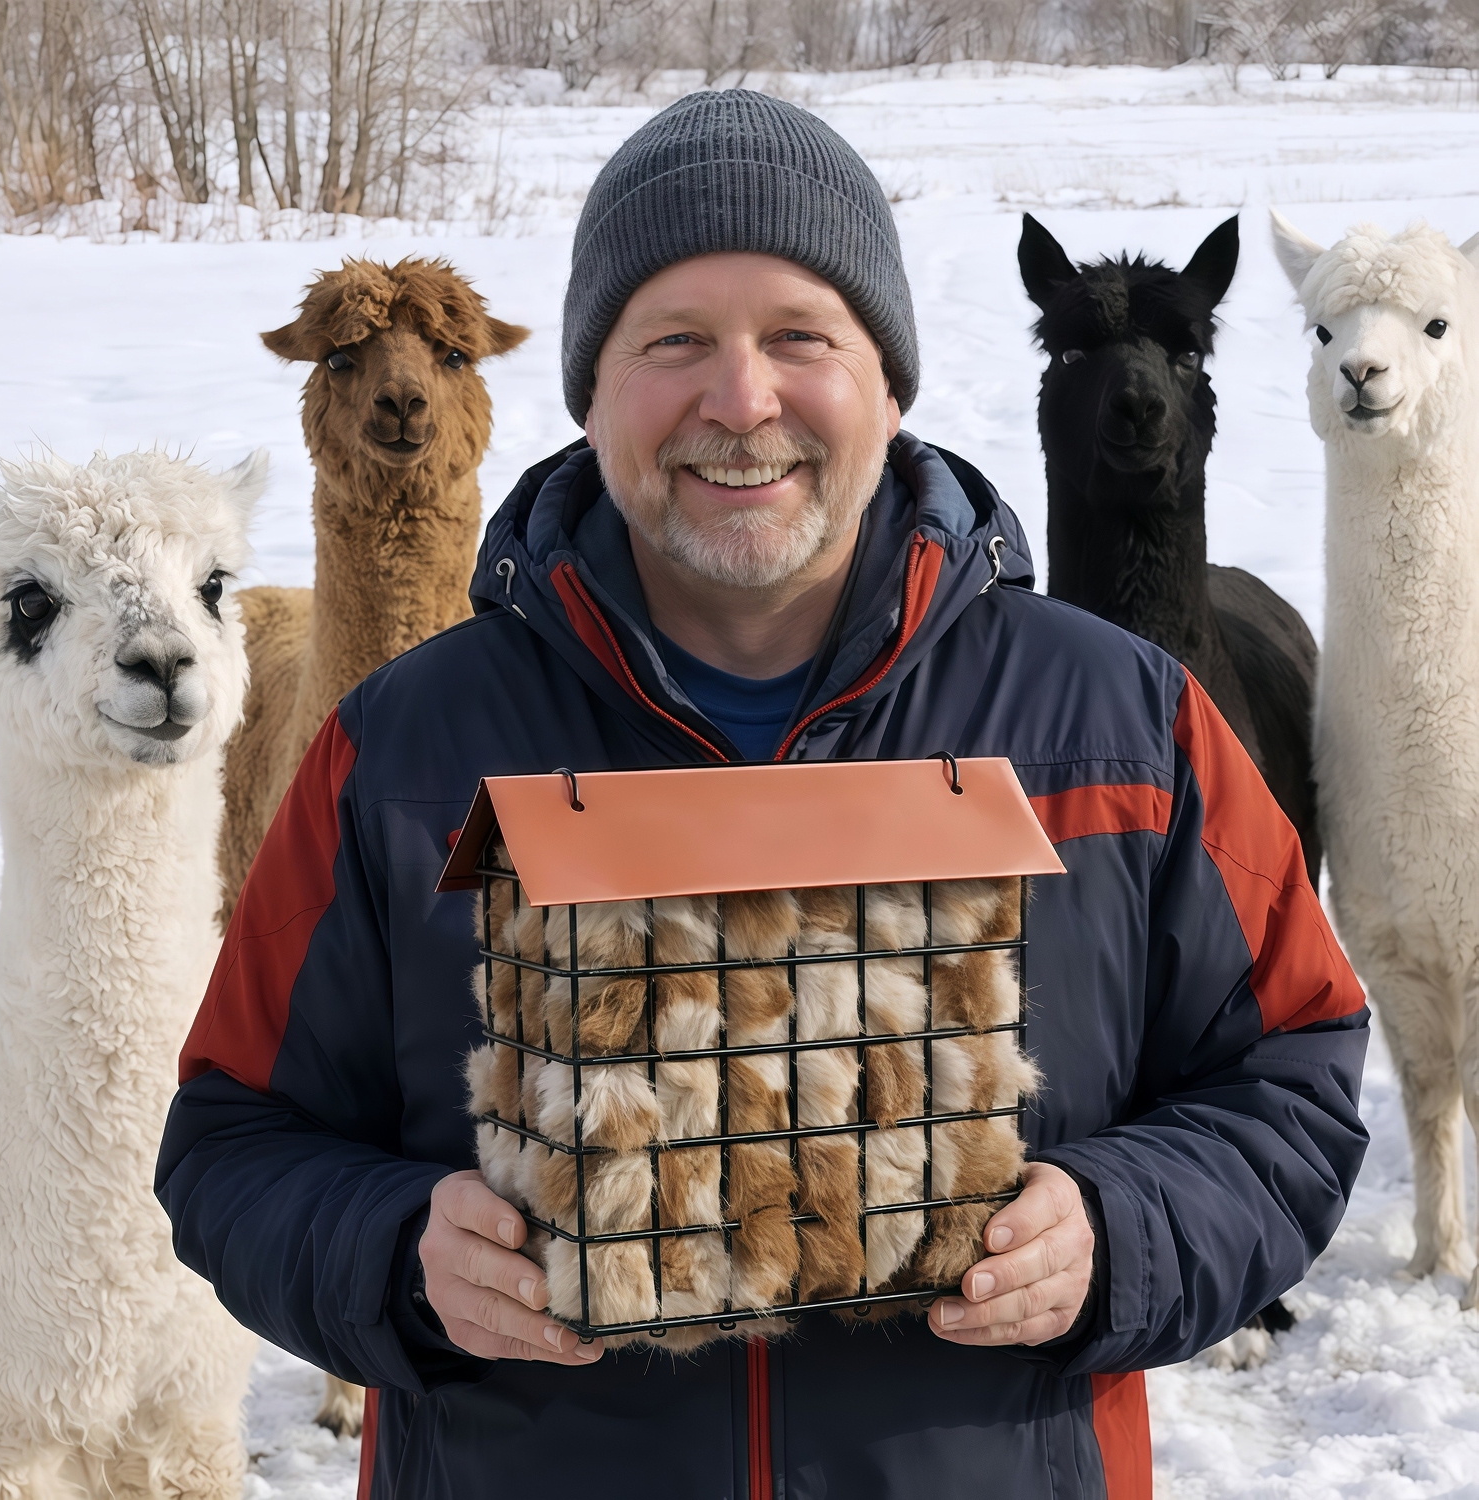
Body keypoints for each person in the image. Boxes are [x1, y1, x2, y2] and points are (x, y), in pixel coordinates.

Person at [157, 90, 1368, 1500]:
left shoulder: (1116, 731)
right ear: (594, 391)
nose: (742, 403)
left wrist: (1119, 1230)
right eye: (675, 343)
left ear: (888, 381)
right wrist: (395, 1255)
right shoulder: (408, 751)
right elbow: (233, 1140)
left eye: (802, 336)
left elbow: (1292, 1082)